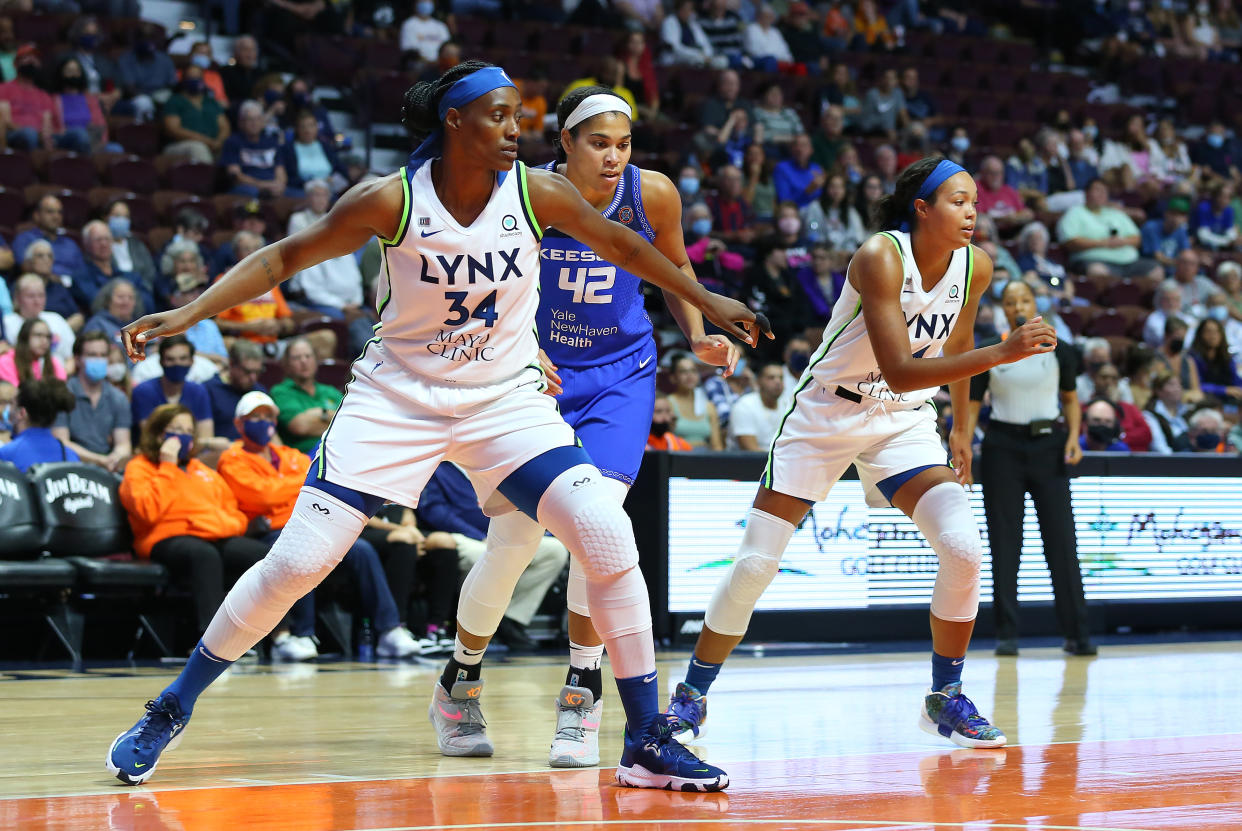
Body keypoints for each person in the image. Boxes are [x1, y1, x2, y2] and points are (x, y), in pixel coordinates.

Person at [107, 61, 760, 791]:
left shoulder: (540, 193)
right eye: (502, 116)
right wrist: (189, 312)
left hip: (503, 401)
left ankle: (643, 737)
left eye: (521, 117)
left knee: (607, 534)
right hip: (397, 401)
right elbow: (283, 258)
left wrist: (707, 297)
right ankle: (171, 705)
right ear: (455, 122)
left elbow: (628, 250)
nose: (518, 129)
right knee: (295, 565)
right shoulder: (391, 200)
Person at [662, 157, 1058, 753]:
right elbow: (899, 369)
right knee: (755, 566)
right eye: (957, 200)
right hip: (827, 414)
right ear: (921, 208)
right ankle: (689, 698)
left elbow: (958, 342)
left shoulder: (977, 265)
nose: (972, 211)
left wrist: (960, 428)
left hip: (902, 421)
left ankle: (945, 697)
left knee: (963, 547)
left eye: (975, 200)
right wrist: (1005, 354)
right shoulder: (880, 256)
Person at [433, 85, 742, 768]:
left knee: (597, 527)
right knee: (513, 539)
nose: (612, 156)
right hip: (533, 377)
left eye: (623, 143)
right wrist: (515, 345)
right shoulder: (522, 193)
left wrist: (695, 332)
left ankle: (582, 688)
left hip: (620, 376)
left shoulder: (650, 195)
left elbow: (675, 267)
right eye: (597, 142)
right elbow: (478, 282)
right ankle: (458, 680)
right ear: (564, 143)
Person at [217, 391, 421, 662]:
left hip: (314, 522)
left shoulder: (290, 455)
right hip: (268, 531)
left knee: (361, 550)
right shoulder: (232, 458)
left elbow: (314, 481)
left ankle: (389, 631)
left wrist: (290, 488)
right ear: (240, 424)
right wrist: (296, 485)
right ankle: (302, 634)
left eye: (268, 416)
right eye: (256, 417)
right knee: (301, 552)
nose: (263, 421)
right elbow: (262, 496)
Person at [968, 281, 1093, 657]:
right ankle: (1007, 634)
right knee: (1005, 544)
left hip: (1049, 447)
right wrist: (963, 441)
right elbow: (972, 405)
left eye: (1023, 299)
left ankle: (1077, 633)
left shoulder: (1060, 350)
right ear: (1003, 309)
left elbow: (1070, 400)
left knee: (1061, 543)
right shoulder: (991, 351)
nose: (1017, 306)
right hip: (1002, 448)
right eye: (1010, 301)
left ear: (1034, 304)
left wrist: (1073, 438)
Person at [118, 403, 272, 634]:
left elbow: (234, 514)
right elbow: (149, 512)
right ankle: (211, 642)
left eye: (188, 432)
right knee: (203, 555)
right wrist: (167, 464)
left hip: (211, 536)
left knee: (262, 554)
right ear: (159, 433)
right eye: (176, 430)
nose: (182, 437)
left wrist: (212, 526)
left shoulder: (202, 470)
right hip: (162, 540)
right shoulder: (139, 468)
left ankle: (280, 635)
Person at [419, 461, 568, 651]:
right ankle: (475, 623)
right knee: (482, 556)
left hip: (499, 535)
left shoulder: (488, 463)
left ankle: (509, 619)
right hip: (461, 537)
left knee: (554, 551)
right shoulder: (436, 468)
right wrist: (478, 536)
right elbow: (435, 511)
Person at [51, 330, 132, 472]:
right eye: (92, 355)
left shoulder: (118, 398)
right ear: (77, 359)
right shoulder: (61, 394)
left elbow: (123, 443)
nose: (99, 360)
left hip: (108, 469)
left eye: (103, 355)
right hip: (70, 468)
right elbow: (61, 442)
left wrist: (115, 457)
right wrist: (99, 460)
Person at [129, 335, 215, 450]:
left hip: (191, 456)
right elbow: (150, 438)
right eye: (170, 359)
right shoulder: (144, 391)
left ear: (192, 361)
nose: (177, 364)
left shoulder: (198, 391)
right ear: (161, 361)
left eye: (183, 358)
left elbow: (206, 436)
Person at [269, 337, 342, 453]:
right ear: (287, 364)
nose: (303, 361)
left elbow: (349, 422)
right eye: (296, 358)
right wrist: (329, 416)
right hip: (304, 459)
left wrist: (319, 414)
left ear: (316, 360)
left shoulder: (330, 391)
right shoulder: (281, 392)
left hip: (338, 453)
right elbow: (299, 426)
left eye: (308, 356)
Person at [0, 377, 79, 471]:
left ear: (21, 413)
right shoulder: (69, 455)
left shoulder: (6, 454)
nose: (8, 409)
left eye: (12, 404)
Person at [205, 340, 267, 440]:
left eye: (257, 372)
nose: (253, 378)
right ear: (231, 364)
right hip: (222, 452)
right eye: (247, 371)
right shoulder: (209, 390)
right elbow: (205, 437)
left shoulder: (259, 392)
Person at [728, 360, 784, 451]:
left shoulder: (788, 405)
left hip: (781, 460)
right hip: (750, 463)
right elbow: (750, 450)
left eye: (781, 378)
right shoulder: (744, 406)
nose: (777, 382)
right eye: (771, 378)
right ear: (758, 381)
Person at [1188, 317, 1242, 405]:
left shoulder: (1227, 357)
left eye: (1216, 332)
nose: (1213, 336)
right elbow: (1196, 386)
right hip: (1206, 402)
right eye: (1208, 332)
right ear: (1200, 334)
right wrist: (1224, 390)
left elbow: (1235, 379)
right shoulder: (1193, 358)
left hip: (1231, 401)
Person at [0, 318, 68, 388]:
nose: (44, 341)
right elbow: (14, 393)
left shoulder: (53, 362)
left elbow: (61, 391)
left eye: (48, 337)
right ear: (25, 337)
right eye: (38, 335)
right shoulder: (7, 361)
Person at [1143, 369, 1191, 453]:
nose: (1177, 388)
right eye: (1171, 384)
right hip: (1169, 462)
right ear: (1158, 390)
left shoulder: (1187, 411)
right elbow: (1159, 448)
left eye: (1179, 384)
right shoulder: (1149, 415)